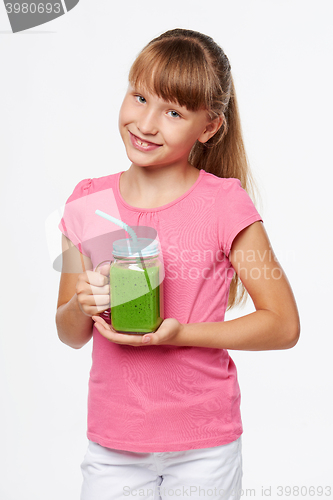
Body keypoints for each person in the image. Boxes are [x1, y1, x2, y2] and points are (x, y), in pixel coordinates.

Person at [56, 28, 300, 500]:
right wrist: (80, 305)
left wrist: (180, 333)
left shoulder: (225, 203)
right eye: (140, 96)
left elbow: (283, 325)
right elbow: (69, 333)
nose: (147, 123)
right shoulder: (87, 202)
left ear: (208, 127)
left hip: (204, 444)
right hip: (114, 443)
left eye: (173, 112)